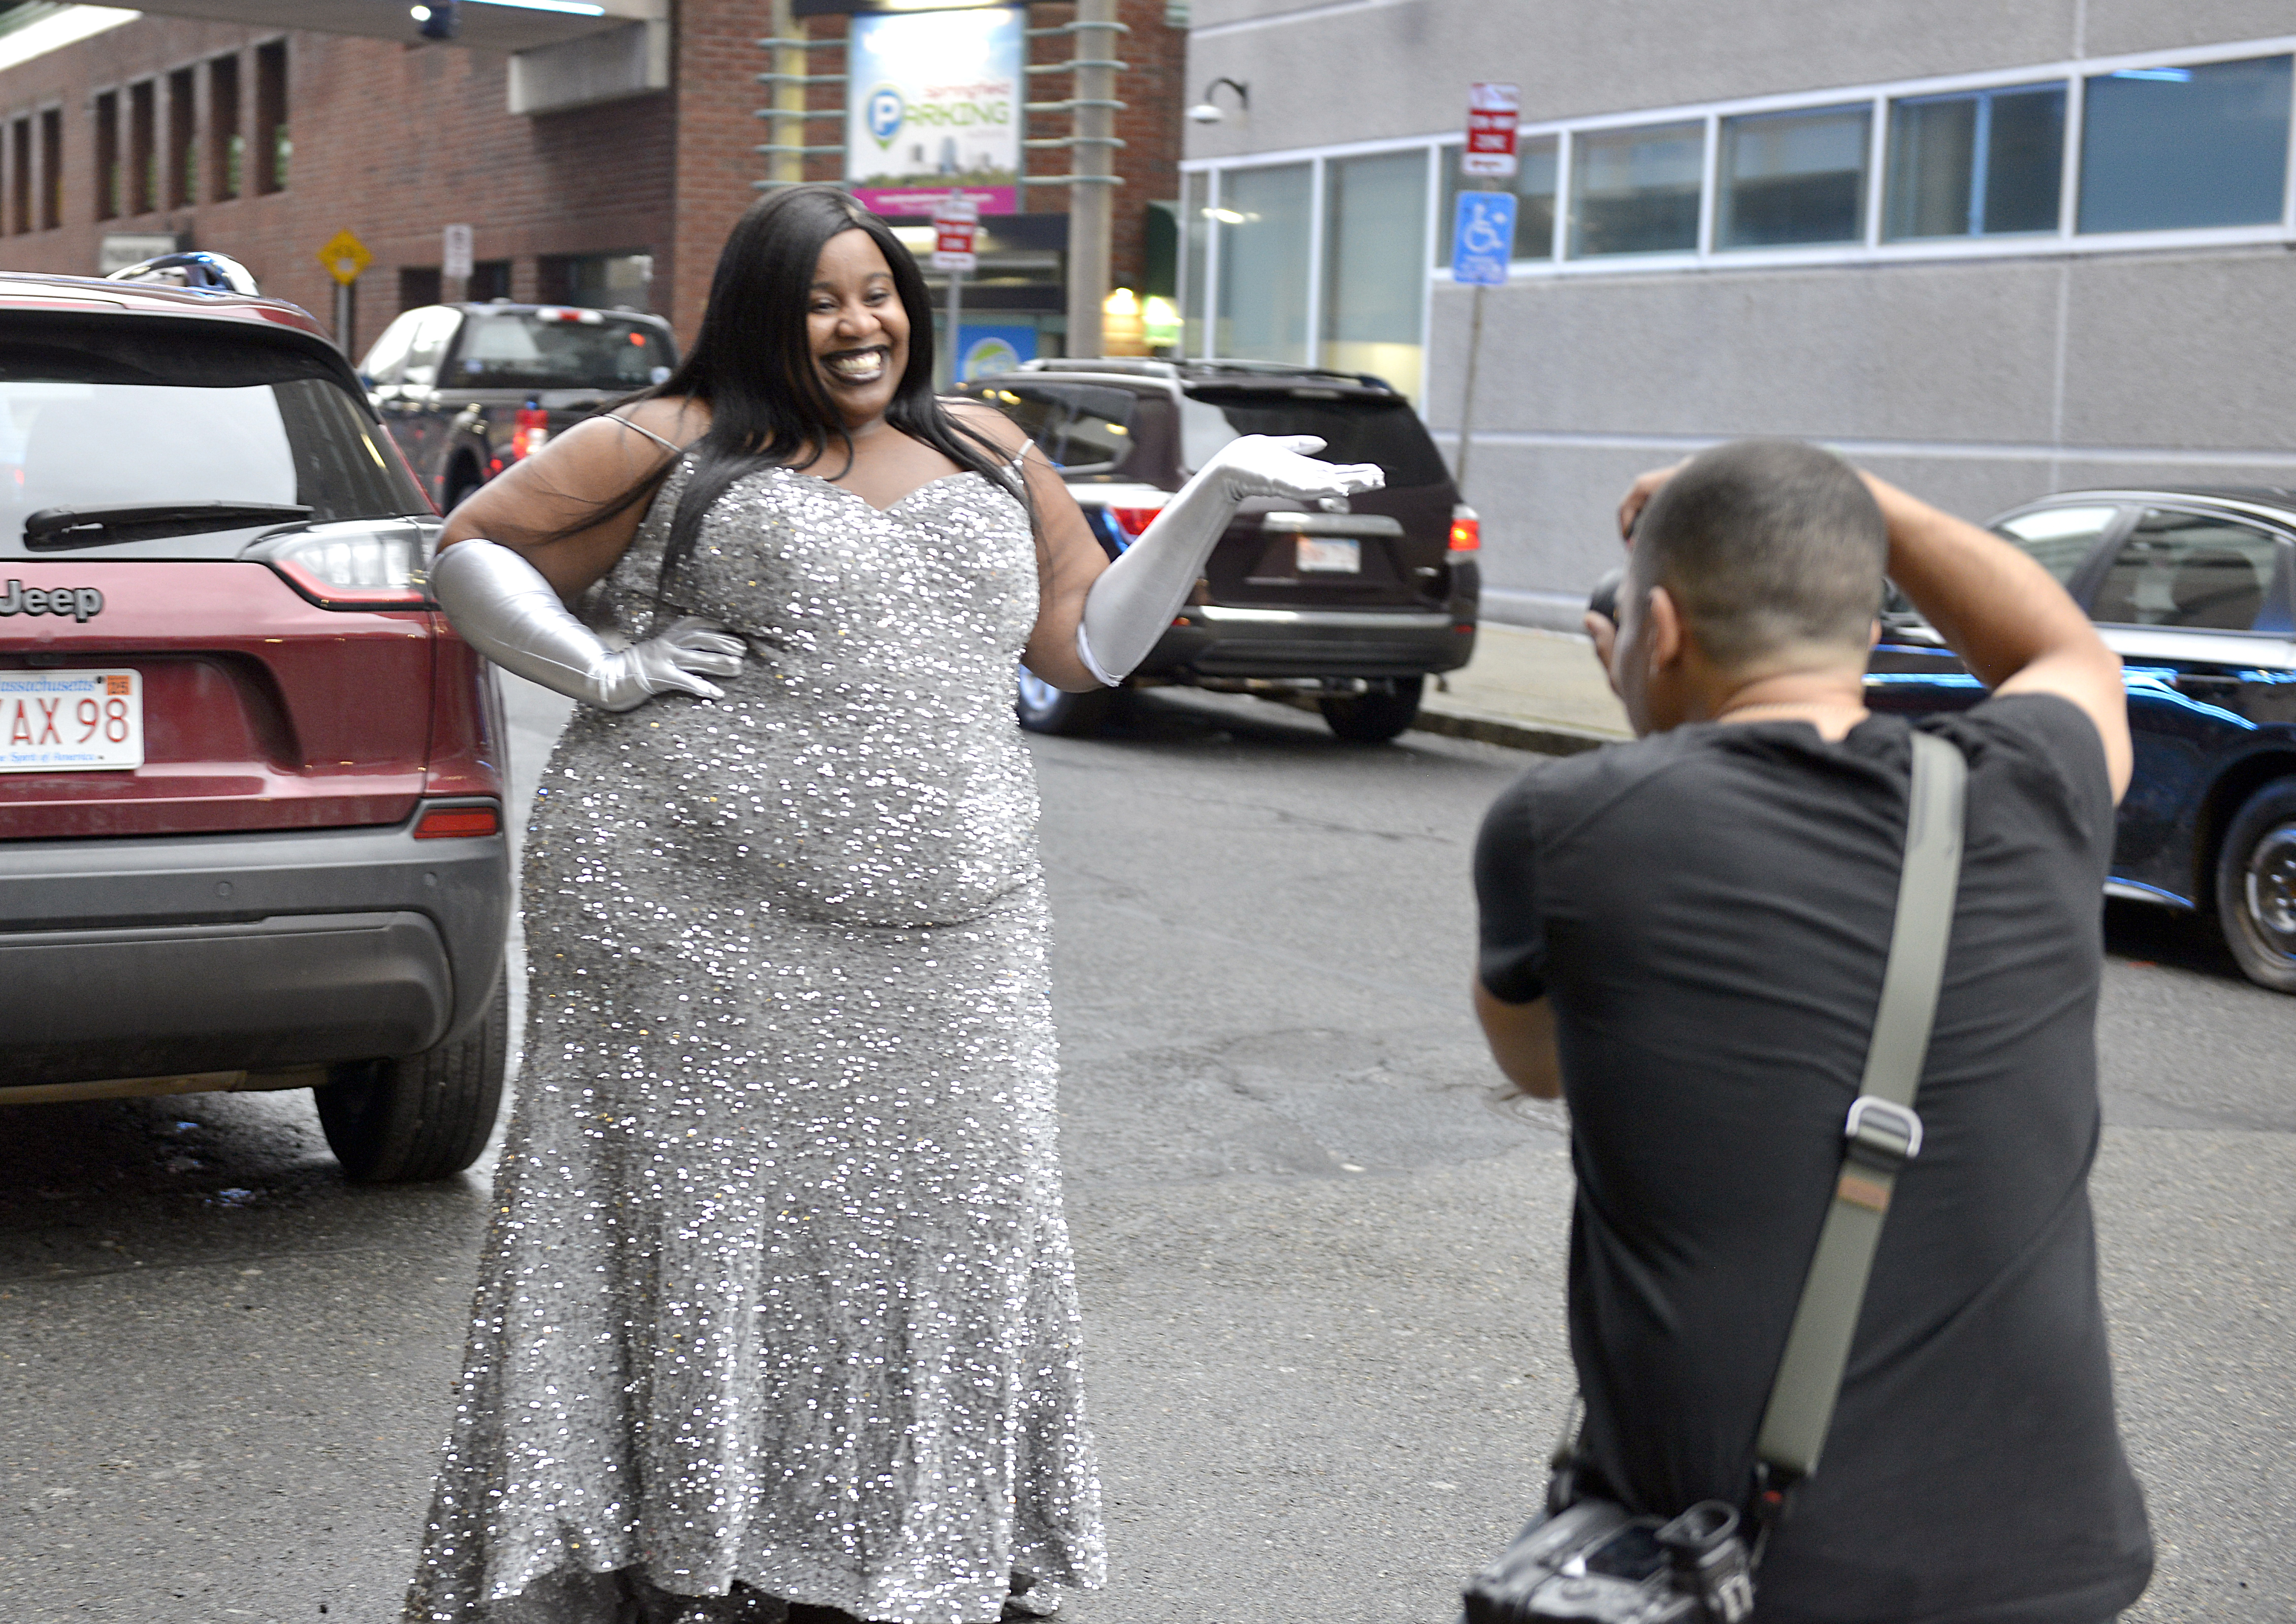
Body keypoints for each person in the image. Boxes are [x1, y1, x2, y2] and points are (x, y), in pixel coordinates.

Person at [402, 184, 1380, 1624]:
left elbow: (1092, 641)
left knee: (947, 1219)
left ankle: (891, 1552)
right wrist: (602, 672)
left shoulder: (981, 443)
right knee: (708, 1222)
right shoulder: (680, 439)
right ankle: (688, 1551)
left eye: (876, 293)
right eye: (818, 299)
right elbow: (470, 549)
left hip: (957, 935)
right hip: (688, 922)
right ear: (761, 313)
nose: (856, 325)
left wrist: (1213, 497)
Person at [1469, 440, 2153, 1622]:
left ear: (1662, 631)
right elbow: (2068, 652)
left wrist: (1653, 749)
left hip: (1747, 1575)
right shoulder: (2036, 784)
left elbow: (1536, 1068)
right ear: (1870, 629)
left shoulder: (1566, 829)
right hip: (2049, 1564)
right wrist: (1852, 496)